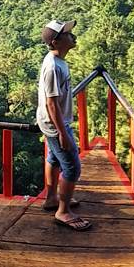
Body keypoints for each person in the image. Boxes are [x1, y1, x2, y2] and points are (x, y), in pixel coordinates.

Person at [36, 19, 91, 231]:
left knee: (53, 158)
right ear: (56, 42)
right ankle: (63, 211)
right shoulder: (53, 67)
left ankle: (51, 198)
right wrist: (63, 133)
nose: (73, 36)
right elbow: (52, 103)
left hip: (53, 122)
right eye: (67, 34)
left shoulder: (58, 61)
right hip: (55, 123)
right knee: (72, 167)